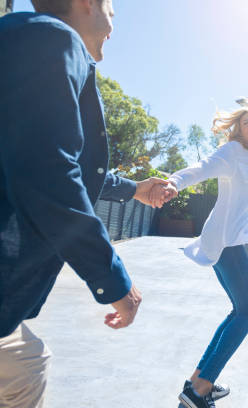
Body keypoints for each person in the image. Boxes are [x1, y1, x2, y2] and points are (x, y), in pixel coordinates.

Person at [0, 1, 171, 406]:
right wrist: (114, 282)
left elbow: (66, 162)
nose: (114, 21)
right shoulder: (53, 39)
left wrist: (134, 188)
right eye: (113, 7)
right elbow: (52, 174)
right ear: (87, 4)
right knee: (24, 370)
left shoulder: (22, 36)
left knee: (25, 361)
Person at [150, 98, 248, 408]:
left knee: (240, 310)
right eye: (244, 122)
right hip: (226, 242)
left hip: (226, 241)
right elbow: (202, 167)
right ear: (238, 129)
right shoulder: (231, 153)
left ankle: (197, 381)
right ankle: (200, 389)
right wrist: (174, 183)